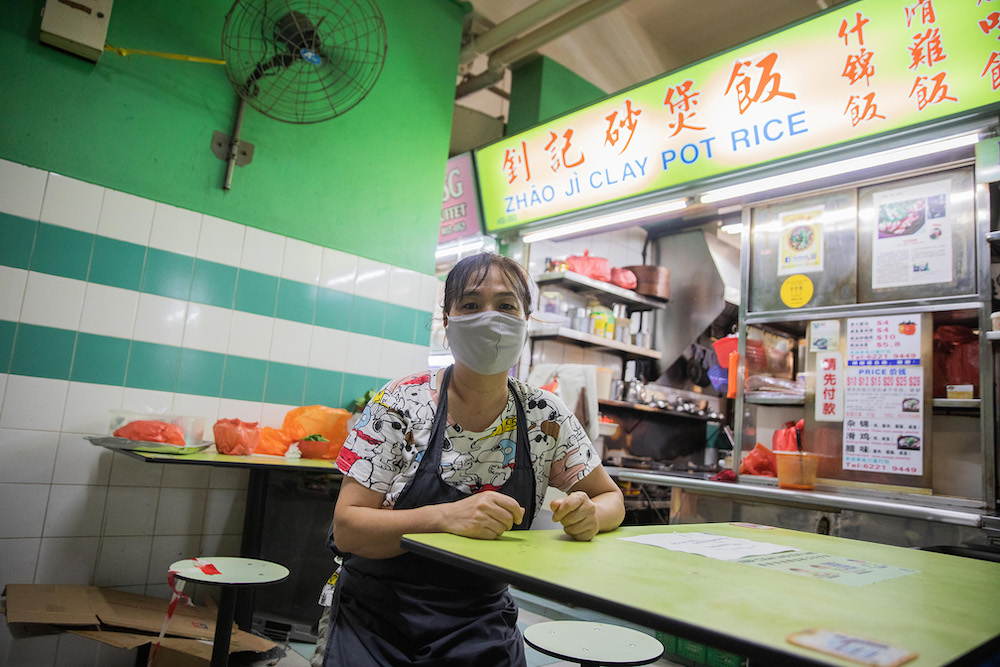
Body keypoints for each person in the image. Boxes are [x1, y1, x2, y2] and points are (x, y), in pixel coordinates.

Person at [323, 251, 625, 665]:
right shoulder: (400, 403)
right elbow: (348, 529)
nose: (490, 318)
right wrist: (444, 517)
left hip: (479, 624)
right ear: (447, 323)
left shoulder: (545, 416)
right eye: (470, 305)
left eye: (505, 305)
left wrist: (590, 514)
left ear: (525, 321)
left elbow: (611, 499)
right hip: (376, 618)